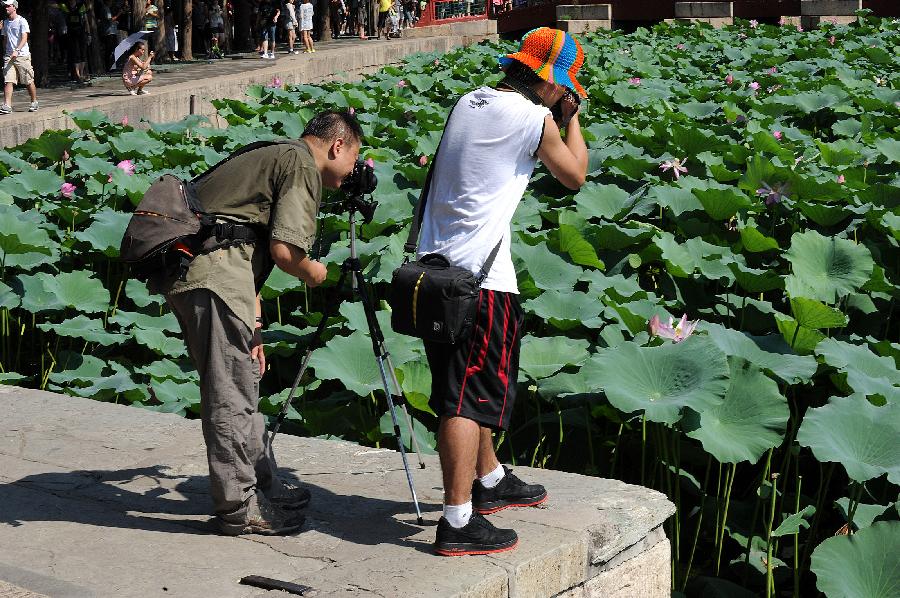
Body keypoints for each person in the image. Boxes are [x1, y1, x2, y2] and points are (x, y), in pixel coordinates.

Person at [417, 27, 587, 556]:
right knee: (467, 399)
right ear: (554, 83)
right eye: (566, 85)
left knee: (464, 385)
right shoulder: (534, 118)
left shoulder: (469, 102)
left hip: (434, 271)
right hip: (478, 283)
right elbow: (575, 176)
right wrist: (572, 114)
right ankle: (458, 521)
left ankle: (489, 479)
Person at [162, 111, 362, 536]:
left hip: (212, 276)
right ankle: (239, 507)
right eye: (354, 159)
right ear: (337, 145)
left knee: (244, 379)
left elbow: (239, 234)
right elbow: (287, 251)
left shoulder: (273, 153)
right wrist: (320, 274)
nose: (351, 173)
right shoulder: (300, 164)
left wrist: (254, 325)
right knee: (231, 393)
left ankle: (262, 484)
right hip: (213, 279)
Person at [0, 0, 38, 114]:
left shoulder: (22, 21)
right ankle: (7, 105)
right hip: (9, 56)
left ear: (14, 7)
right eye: (5, 6)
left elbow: (24, 38)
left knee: (28, 80)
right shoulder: (5, 22)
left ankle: (34, 101)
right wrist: (5, 52)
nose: (6, 8)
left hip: (22, 56)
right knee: (8, 80)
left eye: (8, 6)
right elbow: (5, 39)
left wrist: (17, 50)